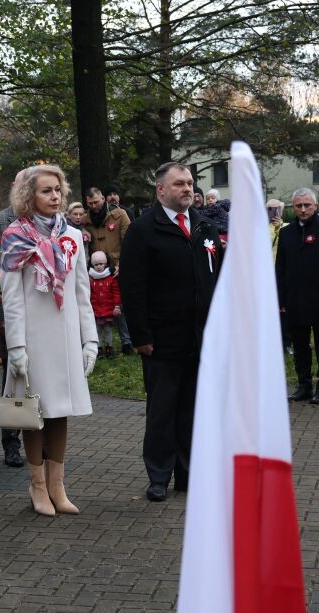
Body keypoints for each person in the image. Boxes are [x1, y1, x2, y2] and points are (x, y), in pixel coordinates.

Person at [119, 162, 222, 502]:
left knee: (193, 409)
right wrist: (141, 335)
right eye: (179, 184)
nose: (187, 189)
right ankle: (159, 475)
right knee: (163, 410)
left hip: (200, 337)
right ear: (161, 189)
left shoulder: (205, 227)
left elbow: (217, 281)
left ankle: (188, 474)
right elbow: (133, 287)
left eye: (190, 183)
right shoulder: (144, 230)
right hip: (162, 339)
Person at [1, 164, 98, 517]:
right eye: (46, 190)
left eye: (58, 190)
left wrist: (90, 340)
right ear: (29, 196)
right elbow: (11, 296)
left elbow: (82, 292)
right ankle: (38, 485)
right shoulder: (15, 236)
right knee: (35, 411)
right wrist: (16, 346)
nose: (55, 196)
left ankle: (58, 486)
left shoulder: (72, 235)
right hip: (33, 338)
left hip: (67, 335)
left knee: (61, 410)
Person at [275, 187, 319, 405]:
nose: (303, 210)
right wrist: (281, 299)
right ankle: (304, 385)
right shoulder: (286, 233)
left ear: (316, 205)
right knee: (300, 346)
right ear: (293, 207)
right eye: (298, 206)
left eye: (307, 205)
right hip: (294, 299)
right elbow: (280, 269)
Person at [0, 181, 27, 468]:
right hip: (11, 316)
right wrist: (0, 318)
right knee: (13, 380)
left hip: (41, 317)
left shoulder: (46, 222)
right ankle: (11, 442)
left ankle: (40, 437)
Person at [81, 186, 133, 355]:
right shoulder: (85, 220)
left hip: (118, 265)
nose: (94, 206)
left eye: (96, 202)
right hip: (97, 269)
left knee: (121, 305)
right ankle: (97, 342)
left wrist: (122, 264)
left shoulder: (120, 215)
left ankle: (127, 341)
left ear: (103, 199)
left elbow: (129, 241)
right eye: (90, 204)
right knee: (99, 304)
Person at [88, 250, 121, 358]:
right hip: (95, 310)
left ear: (105, 264)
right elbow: (88, 294)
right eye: (96, 264)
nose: (98, 267)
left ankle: (108, 348)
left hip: (108, 310)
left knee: (108, 330)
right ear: (93, 265)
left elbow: (116, 293)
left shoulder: (111, 279)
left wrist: (117, 306)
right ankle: (98, 349)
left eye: (101, 264)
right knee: (97, 331)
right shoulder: (90, 280)